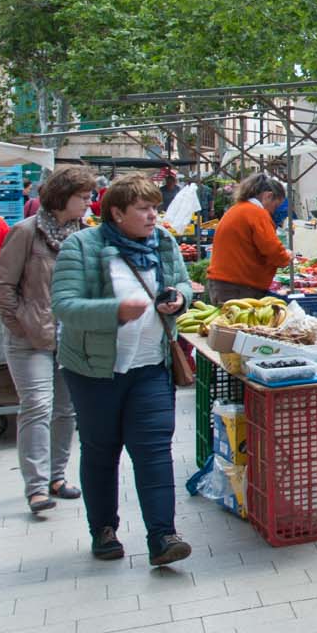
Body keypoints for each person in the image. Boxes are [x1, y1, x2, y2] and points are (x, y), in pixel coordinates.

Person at [50, 173, 194, 566]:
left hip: (151, 366)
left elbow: (183, 283)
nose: (152, 216)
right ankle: (103, 530)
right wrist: (114, 311)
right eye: (143, 209)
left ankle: (162, 536)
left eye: (155, 208)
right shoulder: (82, 246)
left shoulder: (162, 242)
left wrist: (178, 298)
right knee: (101, 450)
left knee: (154, 451)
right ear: (116, 213)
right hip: (94, 371)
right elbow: (64, 305)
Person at [0, 165, 93, 518]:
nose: (88, 202)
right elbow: (2, 287)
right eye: (83, 196)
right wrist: (22, 322)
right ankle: (36, 487)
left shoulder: (84, 235)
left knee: (67, 409)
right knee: (37, 405)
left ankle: (56, 476)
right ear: (63, 197)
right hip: (30, 338)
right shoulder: (25, 232)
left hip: (71, 336)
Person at [205, 174, 291, 306]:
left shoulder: (237, 209)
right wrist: (287, 257)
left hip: (224, 283)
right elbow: (272, 249)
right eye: (275, 205)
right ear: (268, 196)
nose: (273, 211)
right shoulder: (257, 213)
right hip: (239, 286)